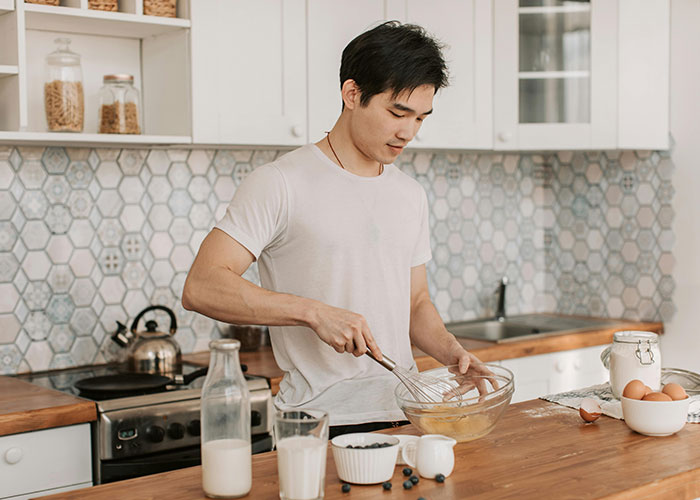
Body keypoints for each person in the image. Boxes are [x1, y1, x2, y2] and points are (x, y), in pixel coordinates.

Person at [182, 21, 488, 437]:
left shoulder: (409, 194)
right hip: (318, 425)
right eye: (397, 113)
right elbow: (201, 286)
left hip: (406, 416)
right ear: (352, 94)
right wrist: (312, 313)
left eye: (420, 117)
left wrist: (452, 353)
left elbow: (416, 304)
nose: (409, 132)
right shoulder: (281, 182)